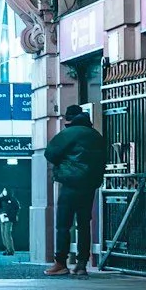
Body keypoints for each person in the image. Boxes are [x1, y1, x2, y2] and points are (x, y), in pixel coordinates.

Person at [43, 105, 108, 275]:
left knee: (63, 224)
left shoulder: (68, 134)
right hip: (89, 185)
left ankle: (61, 263)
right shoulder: (96, 136)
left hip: (70, 183)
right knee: (84, 224)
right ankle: (81, 264)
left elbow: (50, 153)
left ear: (69, 120)